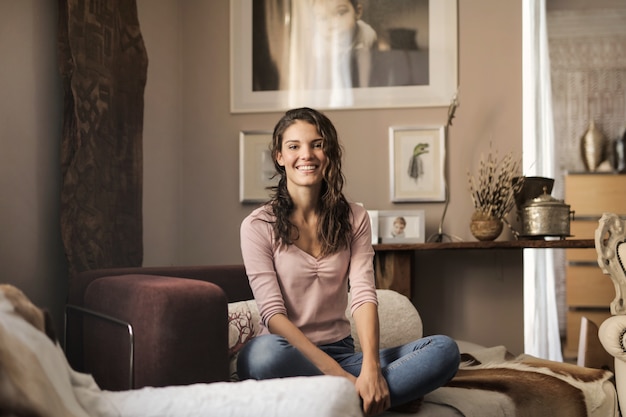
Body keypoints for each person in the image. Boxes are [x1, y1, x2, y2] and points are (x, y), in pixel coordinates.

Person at [238, 107, 459, 415]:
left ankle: (346, 398)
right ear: (279, 156)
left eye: (317, 144)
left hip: (343, 353)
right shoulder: (257, 225)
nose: (307, 154)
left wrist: (370, 369)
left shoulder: (355, 217)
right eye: (294, 146)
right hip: (285, 352)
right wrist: (340, 377)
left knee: (443, 351)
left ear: (329, 151)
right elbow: (273, 315)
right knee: (263, 356)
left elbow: (365, 295)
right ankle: (368, 398)